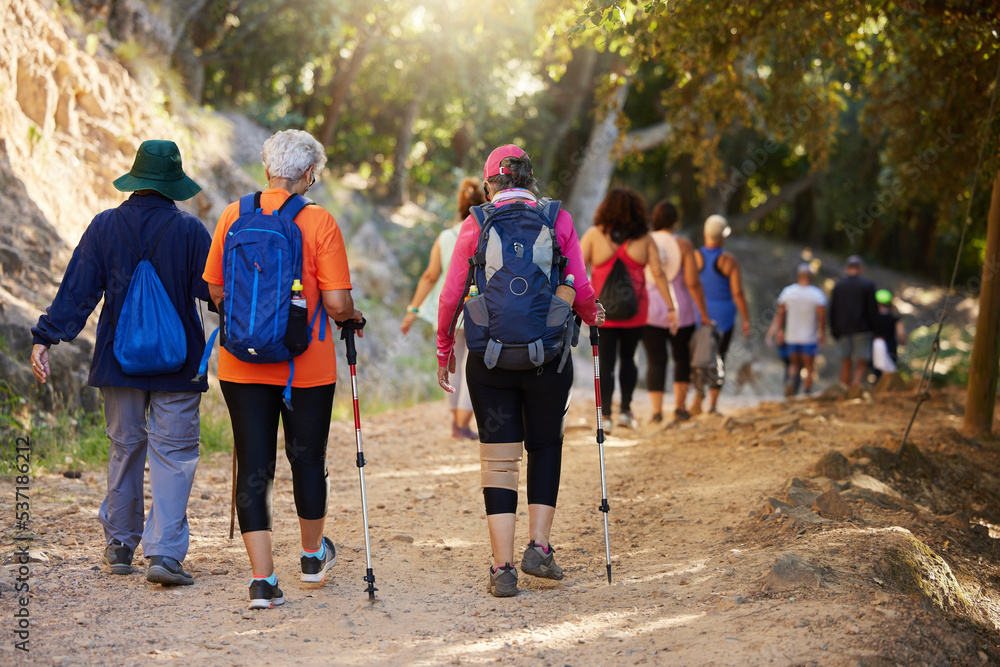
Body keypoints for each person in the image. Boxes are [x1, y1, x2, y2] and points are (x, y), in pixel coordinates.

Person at [30, 140, 213, 586]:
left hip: (119, 361)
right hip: (180, 364)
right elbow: (217, 293)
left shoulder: (105, 226)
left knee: (124, 447)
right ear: (174, 184)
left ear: (136, 180)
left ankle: (119, 544)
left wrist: (46, 338)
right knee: (174, 453)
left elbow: (79, 290)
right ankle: (165, 554)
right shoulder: (191, 231)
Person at [436, 144, 604, 598]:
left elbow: (451, 295)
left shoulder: (476, 224)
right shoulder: (558, 220)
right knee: (546, 446)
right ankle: (540, 548)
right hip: (548, 357)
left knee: (499, 461)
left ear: (491, 183)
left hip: (490, 359)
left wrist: (444, 349)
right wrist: (592, 317)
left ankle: (503, 568)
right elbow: (582, 288)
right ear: (530, 179)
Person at [203, 129, 362, 610]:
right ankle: (313, 558)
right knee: (307, 458)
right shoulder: (320, 222)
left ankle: (262, 580)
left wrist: (253, 321)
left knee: (255, 465)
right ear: (309, 174)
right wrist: (351, 316)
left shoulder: (233, 214)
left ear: (268, 167)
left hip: (240, 363)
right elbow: (336, 302)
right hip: (305, 365)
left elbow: (214, 289)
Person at [581, 188, 676, 431]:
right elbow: (658, 272)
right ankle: (625, 411)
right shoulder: (645, 238)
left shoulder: (594, 235)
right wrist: (671, 307)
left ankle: (607, 418)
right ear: (637, 210)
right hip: (636, 312)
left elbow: (579, 271)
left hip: (602, 312)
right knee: (629, 359)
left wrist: (577, 305)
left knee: (605, 361)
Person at [401, 178, 485, 439]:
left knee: (452, 365)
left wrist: (412, 311)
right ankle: (462, 424)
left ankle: (457, 423)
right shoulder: (487, 232)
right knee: (475, 367)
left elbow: (429, 276)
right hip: (479, 312)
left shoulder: (446, 236)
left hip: (450, 312)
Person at [641, 201, 710, 423]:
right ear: (675, 221)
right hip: (681, 311)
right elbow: (692, 282)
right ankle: (679, 408)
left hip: (650, 309)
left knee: (655, 360)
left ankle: (656, 412)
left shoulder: (643, 241)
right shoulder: (684, 245)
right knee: (682, 358)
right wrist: (704, 312)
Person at [692, 214, 751, 414]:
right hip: (724, 318)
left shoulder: (695, 257)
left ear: (705, 234)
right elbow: (737, 292)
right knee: (719, 358)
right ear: (723, 236)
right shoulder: (729, 260)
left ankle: (698, 398)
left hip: (699, 314)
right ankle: (713, 405)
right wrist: (746, 318)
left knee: (700, 357)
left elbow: (689, 284)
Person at [775, 263, 827, 396]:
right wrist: (822, 332)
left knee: (794, 364)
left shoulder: (788, 292)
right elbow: (822, 317)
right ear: (811, 277)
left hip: (791, 336)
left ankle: (791, 383)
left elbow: (780, 313)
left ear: (798, 276)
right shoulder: (816, 294)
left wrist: (780, 330)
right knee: (809, 366)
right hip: (809, 337)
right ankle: (807, 392)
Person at [829, 255, 879, 387]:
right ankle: (855, 388)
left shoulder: (839, 286)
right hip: (862, 330)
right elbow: (873, 311)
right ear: (861, 268)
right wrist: (877, 330)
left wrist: (834, 330)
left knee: (846, 361)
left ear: (847, 268)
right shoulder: (867, 285)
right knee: (862, 362)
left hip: (842, 330)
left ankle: (844, 389)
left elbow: (832, 310)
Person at [872, 288, 906, 376]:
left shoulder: (872, 317)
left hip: (874, 346)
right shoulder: (894, 318)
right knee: (891, 374)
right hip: (890, 346)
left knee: (877, 374)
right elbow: (901, 334)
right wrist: (903, 343)